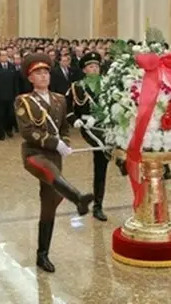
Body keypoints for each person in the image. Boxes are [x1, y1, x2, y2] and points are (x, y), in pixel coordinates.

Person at [15, 54, 94, 273]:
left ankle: (43, 255)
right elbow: (27, 131)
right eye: (38, 73)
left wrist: (65, 143)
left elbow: (64, 129)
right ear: (30, 78)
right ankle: (79, 198)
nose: (43, 76)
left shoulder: (60, 99)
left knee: (49, 204)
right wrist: (54, 142)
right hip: (34, 154)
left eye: (46, 72)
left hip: (55, 155)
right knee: (51, 173)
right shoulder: (24, 101)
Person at [66, 51, 112, 221]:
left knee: (110, 153)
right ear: (84, 70)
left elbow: (113, 105)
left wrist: (100, 117)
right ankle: (98, 207)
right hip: (88, 127)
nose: (95, 69)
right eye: (91, 66)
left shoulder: (107, 85)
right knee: (101, 155)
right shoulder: (76, 86)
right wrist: (75, 121)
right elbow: (68, 110)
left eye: (97, 66)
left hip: (105, 125)